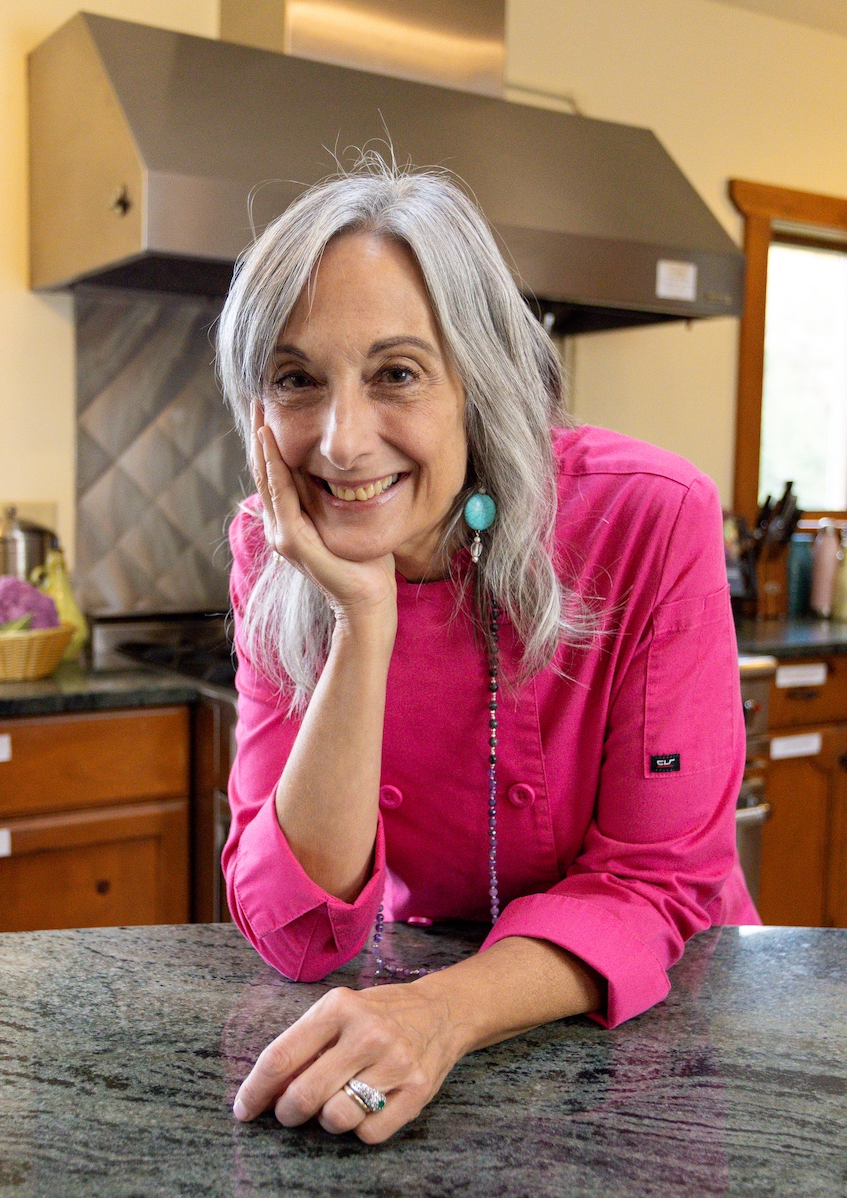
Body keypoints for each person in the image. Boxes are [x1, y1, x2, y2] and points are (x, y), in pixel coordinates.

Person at [216, 162, 758, 1145]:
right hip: (406, 1021)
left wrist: (441, 1014)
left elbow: (656, 881)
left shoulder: (646, 517)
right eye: (296, 378)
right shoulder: (273, 545)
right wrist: (360, 623)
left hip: (650, 1024)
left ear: (477, 378)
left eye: (396, 373)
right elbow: (298, 934)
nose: (340, 443)